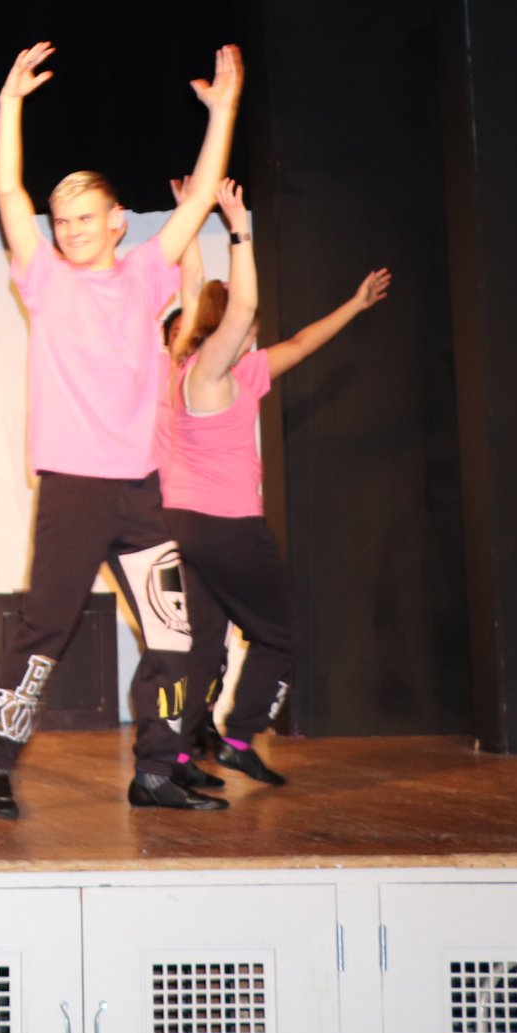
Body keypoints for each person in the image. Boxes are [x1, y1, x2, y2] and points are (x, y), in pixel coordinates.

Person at [0, 41, 242, 819]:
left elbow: (199, 200)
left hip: (140, 491)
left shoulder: (148, 272)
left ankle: (156, 771)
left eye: (85, 218)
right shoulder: (44, 278)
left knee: (173, 633)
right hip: (74, 489)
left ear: (118, 221)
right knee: (46, 629)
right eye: (61, 220)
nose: (70, 230)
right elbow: (6, 186)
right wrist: (9, 102)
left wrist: (223, 110)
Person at [161, 182, 390, 787]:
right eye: (248, 329)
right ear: (229, 330)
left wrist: (355, 305)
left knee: (204, 645)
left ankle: (180, 756)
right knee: (280, 633)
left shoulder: (224, 371)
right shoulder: (210, 373)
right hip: (227, 525)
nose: (254, 336)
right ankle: (239, 736)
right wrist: (238, 229)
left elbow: (301, 343)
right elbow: (235, 310)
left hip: (183, 524)